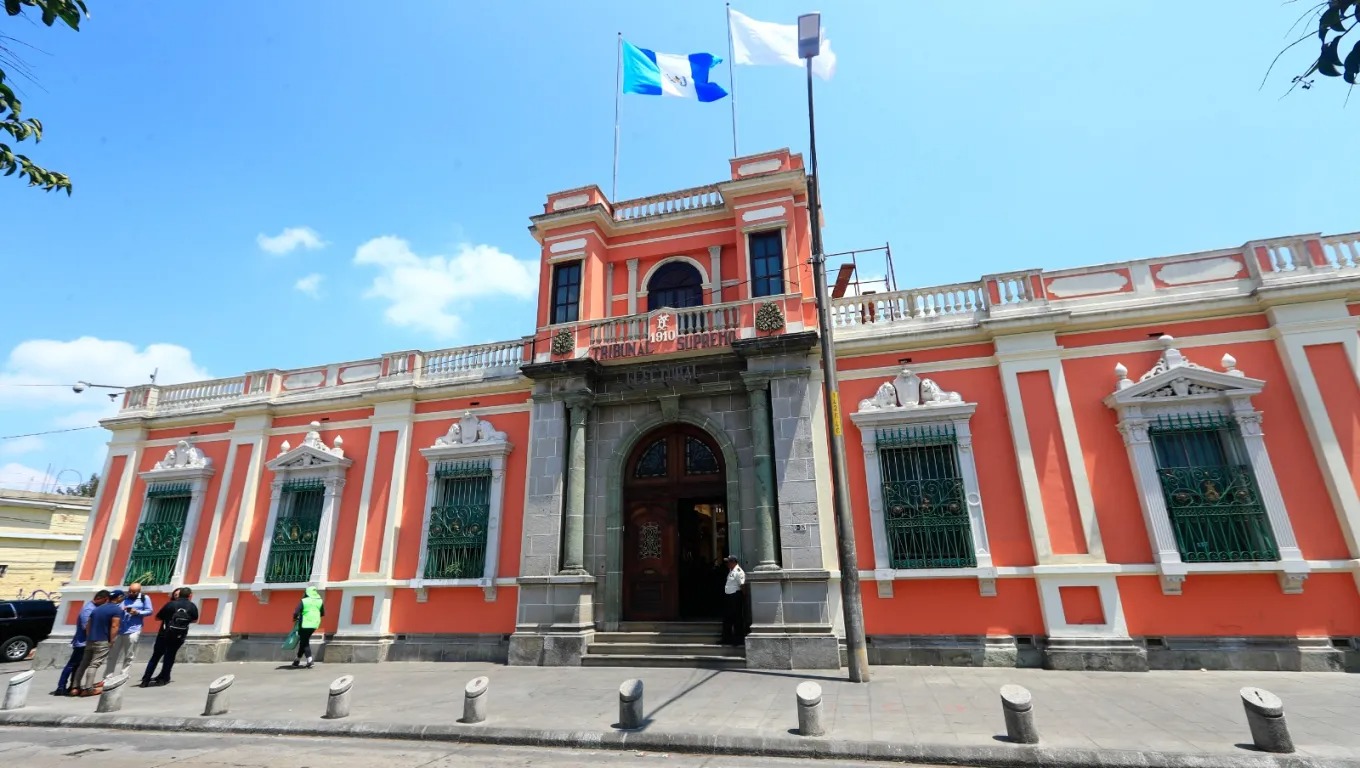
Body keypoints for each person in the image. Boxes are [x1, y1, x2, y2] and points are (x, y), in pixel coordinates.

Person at [140, 586, 199, 687]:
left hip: (164, 634)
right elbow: (194, 620)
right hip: (179, 636)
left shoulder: (171, 604)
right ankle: (163, 679)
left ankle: (146, 679)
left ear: (178, 595)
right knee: (170, 656)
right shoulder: (192, 606)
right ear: (190, 595)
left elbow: (157, 617)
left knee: (155, 656)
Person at [54, 592, 107, 696]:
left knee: (78, 666)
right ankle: (61, 687)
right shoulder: (89, 609)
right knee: (72, 665)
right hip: (82, 643)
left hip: (84, 642)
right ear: (100, 599)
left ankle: (73, 686)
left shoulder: (93, 608)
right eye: (105, 601)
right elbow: (86, 626)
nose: (105, 603)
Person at [74, 590, 121, 696]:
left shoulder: (96, 609)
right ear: (118, 598)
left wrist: (89, 637)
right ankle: (88, 689)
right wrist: (112, 640)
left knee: (83, 664)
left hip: (91, 639)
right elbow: (115, 626)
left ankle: (75, 688)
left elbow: (88, 626)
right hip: (103, 640)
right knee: (94, 665)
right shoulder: (116, 610)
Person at [106, 583, 153, 677]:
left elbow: (150, 611)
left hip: (133, 629)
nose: (131, 593)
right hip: (119, 629)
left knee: (129, 654)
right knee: (112, 654)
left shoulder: (145, 598)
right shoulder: (124, 597)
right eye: (129, 591)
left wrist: (137, 612)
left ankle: (124, 674)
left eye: (134, 592)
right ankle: (107, 675)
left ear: (139, 591)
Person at [291, 586, 324, 668]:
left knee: (304, 642)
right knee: (304, 641)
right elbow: (322, 613)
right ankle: (297, 660)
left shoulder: (304, 601)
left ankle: (310, 660)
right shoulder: (319, 601)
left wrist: (295, 618)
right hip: (315, 624)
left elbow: (296, 612)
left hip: (304, 624)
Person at [720, 555, 746, 646]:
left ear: (733, 562)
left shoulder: (739, 572)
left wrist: (744, 597)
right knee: (727, 618)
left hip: (735, 597)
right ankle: (726, 638)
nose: (727, 564)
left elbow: (742, 585)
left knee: (737, 618)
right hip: (729, 597)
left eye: (729, 562)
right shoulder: (731, 571)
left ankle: (738, 640)